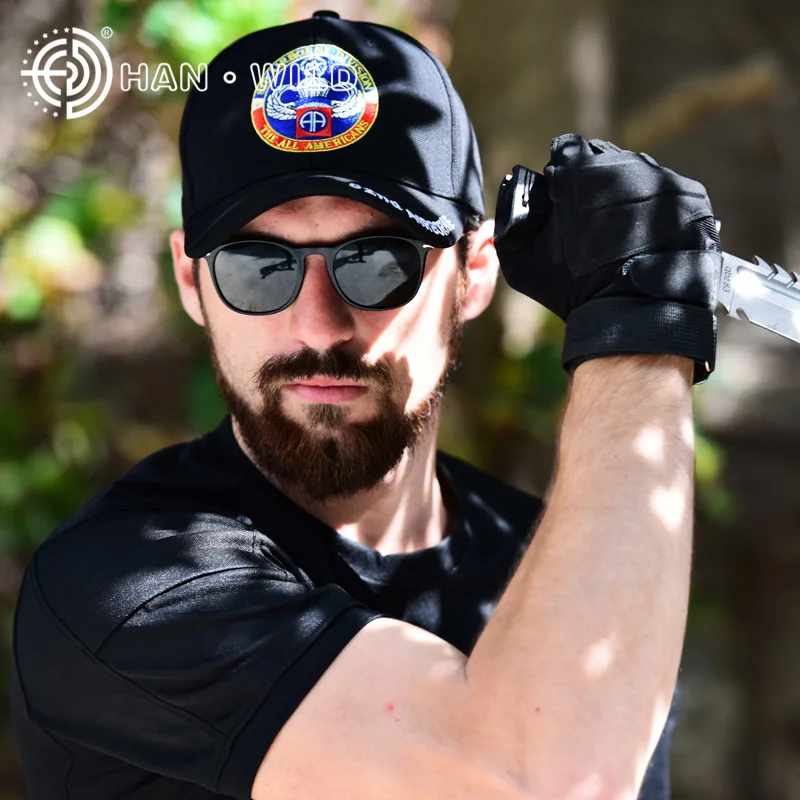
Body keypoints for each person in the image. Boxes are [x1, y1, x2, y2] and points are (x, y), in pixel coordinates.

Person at [10, 10, 722, 800]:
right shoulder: (128, 583)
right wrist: (642, 326)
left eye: (379, 261)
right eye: (257, 267)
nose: (319, 326)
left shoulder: (559, 561)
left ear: (474, 274)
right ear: (191, 281)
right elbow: (548, 781)